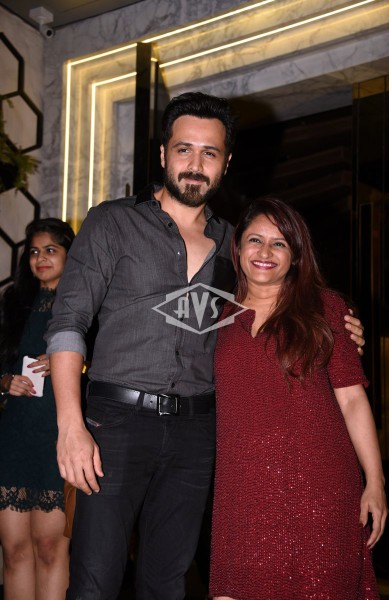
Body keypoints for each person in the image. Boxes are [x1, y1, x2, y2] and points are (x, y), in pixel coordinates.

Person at [45, 92, 365, 600]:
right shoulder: (112, 222)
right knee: (94, 579)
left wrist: (339, 327)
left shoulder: (236, 246)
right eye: (184, 149)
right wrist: (70, 425)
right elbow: (68, 323)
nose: (195, 165)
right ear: (163, 154)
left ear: (226, 162)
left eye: (209, 153)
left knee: (168, 582)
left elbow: (279, 302)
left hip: (197, 431)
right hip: (115, 423)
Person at [209, 197, 388, 600]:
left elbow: (352, 400)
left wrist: (375, 481)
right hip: (241, 492)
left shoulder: (326, 308)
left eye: (280, 243)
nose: (265, 252)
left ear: (295, 255)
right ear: (238, 247)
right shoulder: (215, 315)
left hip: (320, 489)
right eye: (255, 240)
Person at [0, 218, 75, 600]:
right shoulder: (12, 302)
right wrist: (5, 381)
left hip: (60, 437)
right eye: (33, 251)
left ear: (69, 255)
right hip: (14, 435)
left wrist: (71, 360)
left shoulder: (86, 305)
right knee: (14, 550)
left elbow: (107, 367)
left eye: (50, 250)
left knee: (50, 548)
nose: (40, 258)